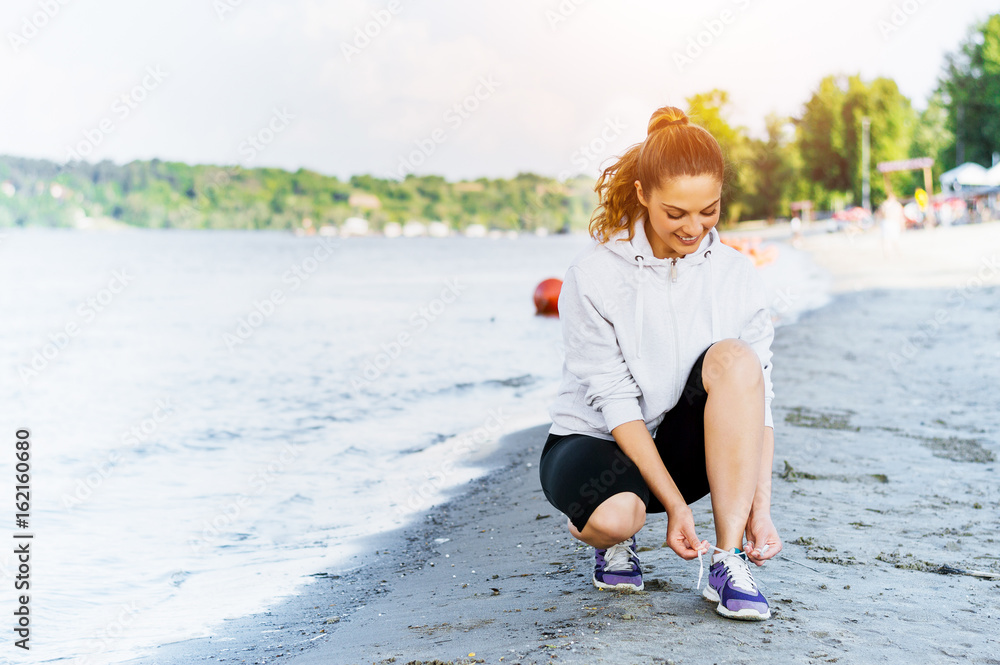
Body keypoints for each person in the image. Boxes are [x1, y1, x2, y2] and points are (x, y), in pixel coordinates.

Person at [538, 106, 781, 621]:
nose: (694, 228)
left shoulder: (737, 275)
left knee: (739, 361)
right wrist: (673, 507)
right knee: (617, 516)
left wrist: (761, 509)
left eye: (709, 210)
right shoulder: (593, 276)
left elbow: (760, 402)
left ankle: (728, 560)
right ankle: (604, 538)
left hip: (681, 443)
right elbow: (616, 400)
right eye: (676, 214)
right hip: (597, 440)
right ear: (644, 194)